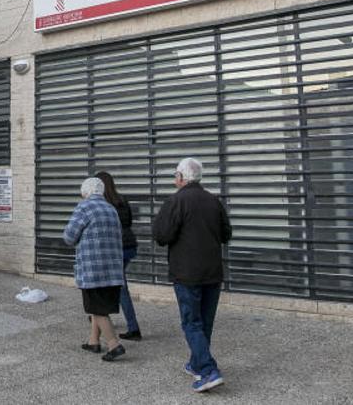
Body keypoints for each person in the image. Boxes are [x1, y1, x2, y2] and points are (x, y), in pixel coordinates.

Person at [152, 158, 232, 393]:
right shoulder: (213, 201)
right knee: (204, 322)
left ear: (180, 177)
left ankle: (208, 370)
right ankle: (197, 363)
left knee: (191, 322)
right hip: (212, 272)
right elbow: (227, 233)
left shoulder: (175, 201)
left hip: (186, 273)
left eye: (174, 176)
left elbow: (161, 235)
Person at [62, 177, 127, 362]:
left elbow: (69, 237)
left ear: (85, 192)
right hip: (112, 268)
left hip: (92, 270)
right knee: (97, 306)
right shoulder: (111, 209)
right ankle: (93, 342)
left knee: (97, 309)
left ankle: (114, 344)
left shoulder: (84, 207)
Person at [95, 171, 142, 341]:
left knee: (120, 287)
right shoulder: (122, 199)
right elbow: (129, 222)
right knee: (113, 283)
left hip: (115, 249)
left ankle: (133, 327)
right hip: (130, 246)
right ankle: (101, 316)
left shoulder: (104, 204)